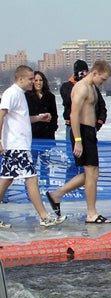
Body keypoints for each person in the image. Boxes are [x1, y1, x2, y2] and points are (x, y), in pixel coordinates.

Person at [0, 66, 67, 228]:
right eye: (30, 79)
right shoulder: (11, 93)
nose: (33, 82)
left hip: (19, 145)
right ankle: (44, 216)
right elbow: (1, 115)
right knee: (32, 179)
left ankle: (45, 216)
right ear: (20, 79)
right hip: (16, 146)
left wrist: (39, 118)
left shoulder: (21, 95)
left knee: (6, 180)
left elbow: (21, 119)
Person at [47, 60, 111, 224]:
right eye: (102, 79)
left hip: (89, 132)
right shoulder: (82, 87)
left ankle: (57, 194)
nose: (103, 83)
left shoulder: (92, 88)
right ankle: (91, 213)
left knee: (93, 174)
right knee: (91, 173)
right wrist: (78, 140)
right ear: (95, 73)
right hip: (81, 132)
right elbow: (74, 115)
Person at [60, 60, 107, 182]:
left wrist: (98, 123)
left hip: (89, 128)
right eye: (81, 72)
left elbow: (101, 106)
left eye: (86, 71)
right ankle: (65, 187)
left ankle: (82, 187)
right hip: (74, 127)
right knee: (74, 159)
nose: (84, 74)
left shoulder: (92, 87)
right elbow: (70, 108)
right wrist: (78, 139)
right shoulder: (71, 87)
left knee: (91, 169)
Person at [26, 71, 58, 187]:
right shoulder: (27, 96)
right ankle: (30, 187)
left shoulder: (50, 96)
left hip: (46, 136)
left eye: (40, 80)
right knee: (31, 163)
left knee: (46, 164)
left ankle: (46, 185)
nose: (38, 83)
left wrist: (52, 127)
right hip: (32, 136)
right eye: (36, 80)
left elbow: (54, 115)